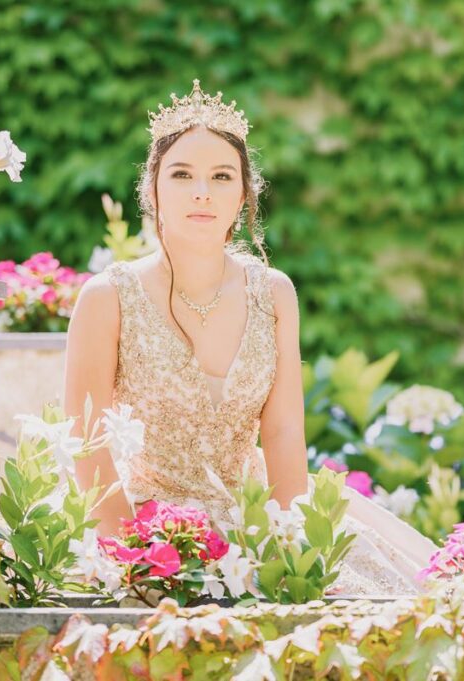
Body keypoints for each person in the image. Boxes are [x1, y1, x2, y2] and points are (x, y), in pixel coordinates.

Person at [63, 80, 438, 596]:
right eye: (182, 175)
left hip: (258, 521)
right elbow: (87, 443)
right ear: (152, 191)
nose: (202, 192)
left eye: (221, 176)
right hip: (142, 523)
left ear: (243, 193)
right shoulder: (107, 298)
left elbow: (283, 432)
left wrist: (287, 551)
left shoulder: (274, 293)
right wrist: (135, 557)